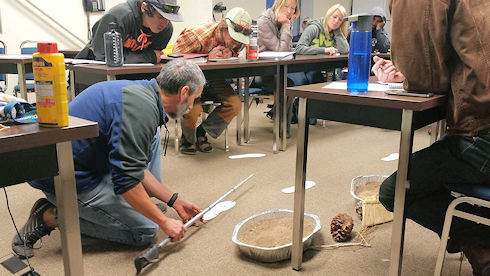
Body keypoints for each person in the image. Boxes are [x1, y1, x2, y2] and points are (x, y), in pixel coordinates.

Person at [12, 59, 206, 258]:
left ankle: (138, 205)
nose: (192, 107)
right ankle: (49, 216)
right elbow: (127, 179)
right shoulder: (140, 113)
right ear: (184, 93)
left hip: (90, 160)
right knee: (146, 231)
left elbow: (134, 165)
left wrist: (175, 201)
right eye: (195, 99)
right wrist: (162, 221)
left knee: (152, 136)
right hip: (68, 177)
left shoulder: (142, 93)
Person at [373, 0, 489, 274]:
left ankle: (480, 240)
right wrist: (410, 73)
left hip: (481, 136)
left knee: (394, 191)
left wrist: (405, 76)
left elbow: (425, 77)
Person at [172, 7, 251, 154]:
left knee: (234, 104)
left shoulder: (237, 41)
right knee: (194, 109)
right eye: (233, 38)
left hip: (213, 78)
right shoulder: (196, 35)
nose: (235, 43)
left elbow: (235, 50)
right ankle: (188, 140)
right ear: (224, 26)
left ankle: (201, 132)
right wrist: (205, 58)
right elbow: (174, 63)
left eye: (238, 41)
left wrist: (231, 53)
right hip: (190, 79)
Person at [76, 0, 184, 64]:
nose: (165, 23)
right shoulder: (118, 18)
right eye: (161, 17)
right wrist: (149, 57)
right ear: (144, 8)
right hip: (89, 72)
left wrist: (150, 58)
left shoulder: (165, 31)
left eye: (169, 18)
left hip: (129, 75)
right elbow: (106, 59)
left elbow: (156, 58)